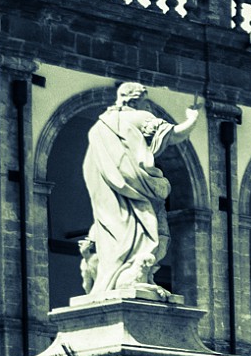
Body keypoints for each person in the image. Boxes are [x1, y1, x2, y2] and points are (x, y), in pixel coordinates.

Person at [78, 80, 198, 300]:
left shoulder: (99, 127)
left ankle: (119, 278)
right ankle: (136, 276)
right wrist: (192, 118)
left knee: (114, 235)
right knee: (144, 233)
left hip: (108, 197)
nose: (145, 105)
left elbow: (90, 169)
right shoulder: (139, 117)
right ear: (136, 99)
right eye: (143, 100)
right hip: (136, 194)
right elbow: (176, 135)